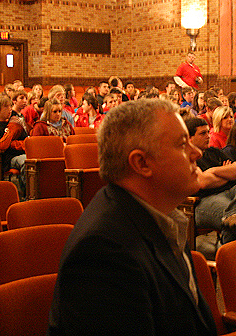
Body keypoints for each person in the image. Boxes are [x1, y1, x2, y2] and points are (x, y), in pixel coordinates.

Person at [48, 99, 217, 336]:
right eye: (182, 144)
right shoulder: (102, 252)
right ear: (141, 163)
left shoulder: (164, 215)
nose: (197, 152)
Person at [185, 117, 236, 245]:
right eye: (202, 133)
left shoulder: (214, 151)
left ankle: (233, 216)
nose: (208, 136)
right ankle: (229, 257)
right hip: (205, 201)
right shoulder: (188, 156)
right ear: (190, 138)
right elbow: (203, 182)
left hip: (230, 192)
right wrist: (225, 173)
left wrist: (211, 171)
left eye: (208, 132)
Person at [0, 95, 27, 192]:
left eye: (10, 106)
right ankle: (27, 194)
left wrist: (13, 143)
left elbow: (26, 141)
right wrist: (11, 137)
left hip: (22, 152)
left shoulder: (15, 123)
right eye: (6, 107)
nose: (10, 109)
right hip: (8, 158)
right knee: (26, 162)